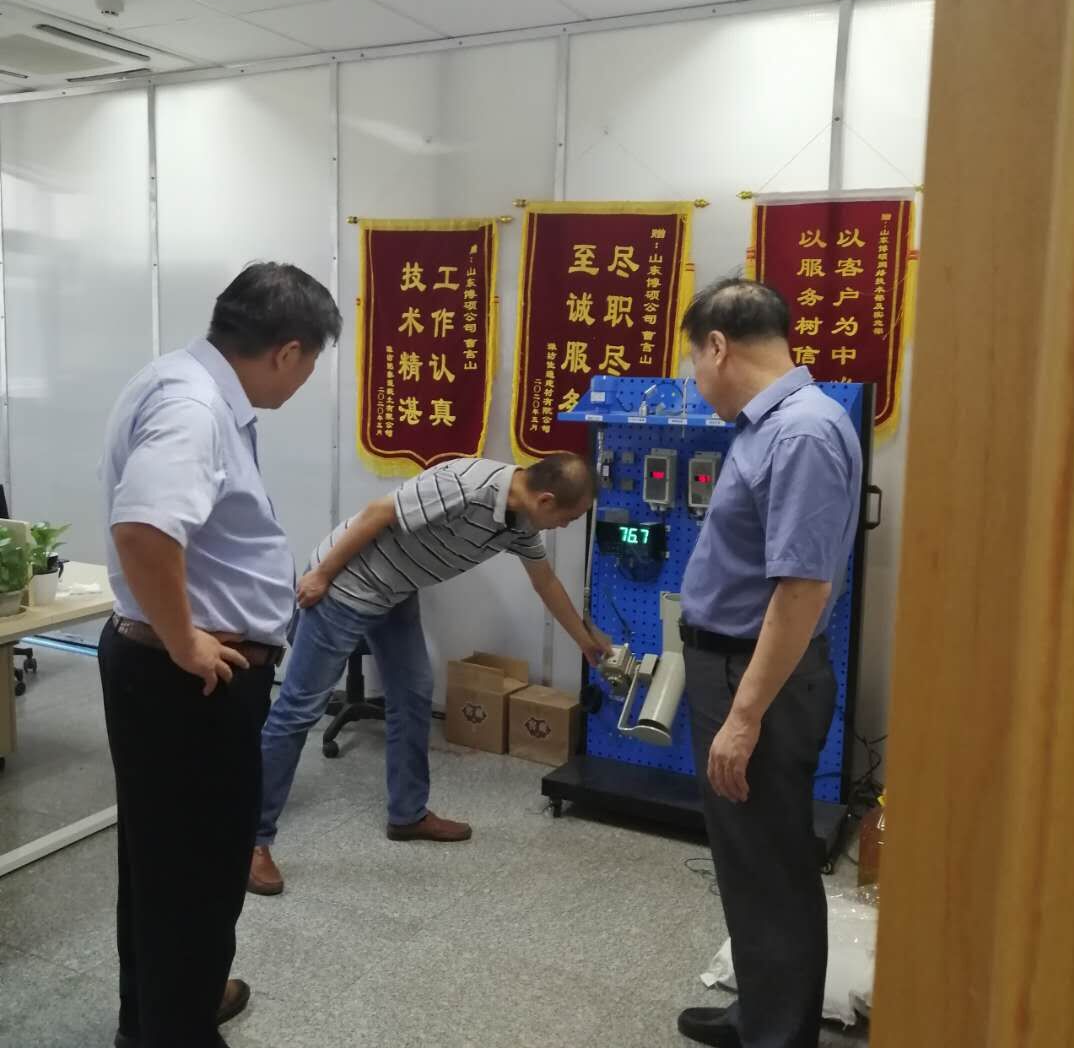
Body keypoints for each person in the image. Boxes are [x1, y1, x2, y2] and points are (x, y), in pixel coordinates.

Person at [99, 262, 341, 1048]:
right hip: (189, 680)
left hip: (170, 671)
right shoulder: (196, 406)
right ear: (288, 351)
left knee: (162, 862)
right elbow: (144, 528)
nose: (304, 380)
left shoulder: (179, 379)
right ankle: (177, 1026)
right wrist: (186, 641)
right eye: (310, 363)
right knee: (198, 872)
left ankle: (161, 1012)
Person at [248, 453, 606, 895]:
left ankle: (408, 814)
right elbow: (378, 513)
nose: (566, 526)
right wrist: (321, 574)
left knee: (414, 692)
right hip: (346, 585)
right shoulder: (466, 485)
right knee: (299, 709)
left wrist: (584, 640)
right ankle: (250, 839)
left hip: (395, 591)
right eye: (569, 517)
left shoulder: (522, 523)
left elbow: (545, 582)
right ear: (546, 500)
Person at [675, 279, 862, 1048]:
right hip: (734, 669)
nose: (695, 379)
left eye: (694, 360)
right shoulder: (771, 427)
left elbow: (802, 588)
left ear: (718, 346)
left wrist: (745, 715)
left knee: (772, 868)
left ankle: (779, 1037)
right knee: (748, 862)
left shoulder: (802, 433)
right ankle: (760, 1014)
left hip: (756, 681)